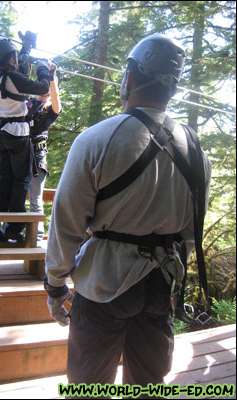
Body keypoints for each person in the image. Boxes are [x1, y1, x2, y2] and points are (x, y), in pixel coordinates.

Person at [44, 34, 212, 397]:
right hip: (161, 284)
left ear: (130, 78)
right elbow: (190, 231)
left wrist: (55, 283)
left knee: (89, 384)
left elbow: (67, 223)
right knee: (149, 383)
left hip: (103, 284)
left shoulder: (96, 139)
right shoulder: (196, 149)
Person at [0, 36, 50, 243]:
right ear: (10, 59)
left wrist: (25, 48)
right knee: (21, 181)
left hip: (2, 134)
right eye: (14, 57)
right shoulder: (13, 78)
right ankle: (14, 229)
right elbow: (43, 88)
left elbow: (17, 69)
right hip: (18, 135)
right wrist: (43, 70)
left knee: (3, 179)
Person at [28, 62, 62, 241]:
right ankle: (14, 231)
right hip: (21, 155)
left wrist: (51, 77)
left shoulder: (50, 110)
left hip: (37, 159)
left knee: (35, 198)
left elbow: (57, 102)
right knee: (16, 196)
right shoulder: (28, 104)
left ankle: (36, 235)